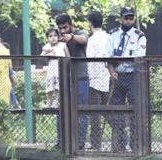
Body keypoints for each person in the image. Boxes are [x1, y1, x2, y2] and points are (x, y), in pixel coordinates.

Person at [108, 7, 147, 153]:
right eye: (126, 18)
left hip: (132, 76)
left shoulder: (139, 36)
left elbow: (139, 56)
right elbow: (108, 56)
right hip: (117, 75)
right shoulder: (112, 34)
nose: (129, 20)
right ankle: (119, 144)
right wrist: (111, 71)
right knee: (116, 110)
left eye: (131, 18)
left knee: (135, 110)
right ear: (121, 19)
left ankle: (135, 145)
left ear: (134, 19)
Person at [55, 13, 89, 149]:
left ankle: (80, 142)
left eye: (65, 27)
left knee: (80, 111)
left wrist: (72, 37)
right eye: (60, 28)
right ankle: (61, 141)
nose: (63, 31)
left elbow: (84, 39)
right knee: (62, 110)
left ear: (71, 24)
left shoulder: (79, 32)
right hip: (65, 77)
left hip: (80, 77)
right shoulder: (58, 36)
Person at [85, 10, 112, 151]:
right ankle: (120, 139)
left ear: (90, 23)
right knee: (109, 111)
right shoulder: (108, 37)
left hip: (94, 80)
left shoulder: (92, 39)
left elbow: (89, 60)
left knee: (94, 114)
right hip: (108, 78)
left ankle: (96, 144)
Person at [40, 28, 69, 108]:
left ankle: (56, 102)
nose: (53, 38)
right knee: (49, 87)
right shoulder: (47, 47)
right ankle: (49, 102)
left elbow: (68, 57)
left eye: (55, 35)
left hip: (60, 68)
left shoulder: (62, 45)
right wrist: (49, 53)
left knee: (58, 87)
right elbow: (41, 57)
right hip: (51, 68)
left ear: (58, 37)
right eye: (50, 36)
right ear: (47, 38)